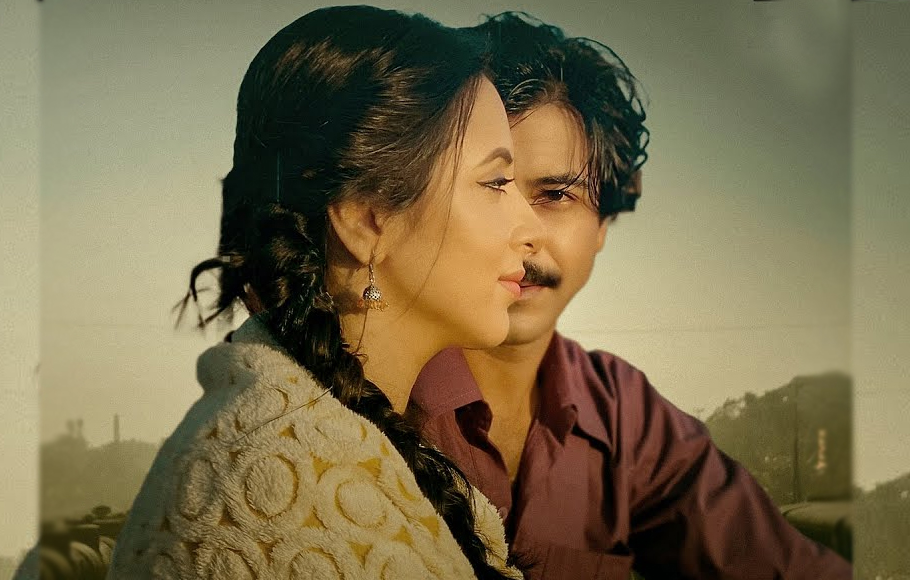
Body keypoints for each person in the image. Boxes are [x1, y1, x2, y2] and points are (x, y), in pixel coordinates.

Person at [105, 6, 545, 580]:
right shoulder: (288, 498)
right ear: (366, 218)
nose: (531, 228)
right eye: (496, 183)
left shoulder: (336, 439)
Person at [408, 12, 853, 580]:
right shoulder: (368, 388)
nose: (520, 233)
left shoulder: (622, 413)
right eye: (492, 188)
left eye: (555, 195)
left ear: (603, 222)